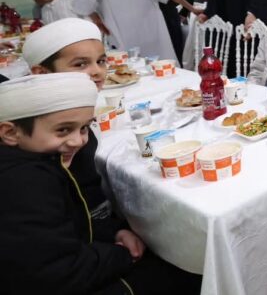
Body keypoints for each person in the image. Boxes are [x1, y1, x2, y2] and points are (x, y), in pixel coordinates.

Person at [0, 73, 202, 294]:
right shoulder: (23, 183)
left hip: (77, 261)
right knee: (188, 271)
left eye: (84, 128)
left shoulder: (42, 159)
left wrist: (112, 231)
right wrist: (122, 255)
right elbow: (56, 272)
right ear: (10, 133)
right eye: (63, 130)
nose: (79, 140)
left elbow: (76, 216)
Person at [22, 17, 109, 217]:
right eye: (80, 64)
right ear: (41, 73)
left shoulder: (78, 112)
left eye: (101, 61)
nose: (97, 71)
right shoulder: (41, 130)